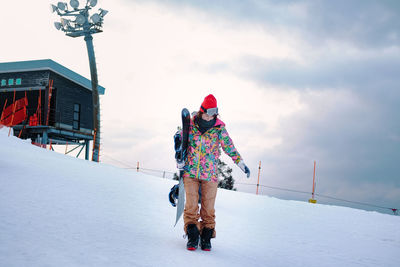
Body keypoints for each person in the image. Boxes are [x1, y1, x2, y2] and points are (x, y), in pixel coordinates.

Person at [183, 94, 250, 251]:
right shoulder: (191, 124)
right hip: (190, 172)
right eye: (207, 113)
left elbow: (229, 147)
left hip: (210, 175)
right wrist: (177, 141)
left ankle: (206, 237)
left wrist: (240, 162)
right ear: (201, 111)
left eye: (213, 113)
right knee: (191, 206)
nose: (209, 116)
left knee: (208, 209)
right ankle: (192, 237)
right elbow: (182, 137)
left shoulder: (219, 128)